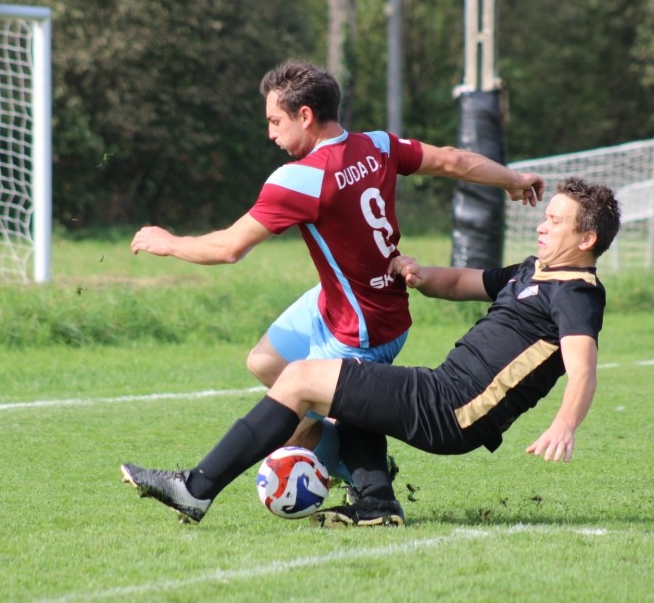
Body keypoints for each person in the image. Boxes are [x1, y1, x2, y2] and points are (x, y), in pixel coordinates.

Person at [122, 177, 622, 526]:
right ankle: (377, 502)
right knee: (351, 379)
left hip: (456, 407)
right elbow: (462, 282)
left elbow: (582, 369)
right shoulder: (534, 270)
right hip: (444, 390)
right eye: (546, 217)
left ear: (587, 238)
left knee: (300, 378)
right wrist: (419, 275)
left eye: (555, 221)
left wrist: (565, 425)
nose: (542, 226)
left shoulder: (577, 293)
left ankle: (195, 488)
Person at [130, 58, 544, 479]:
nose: (270, 133)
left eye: (275, 121)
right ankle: (346, 444)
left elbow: (229, 248)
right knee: (264, 361)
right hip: (344, 301)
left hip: (361, 328)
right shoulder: (377, 145)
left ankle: (357, 476)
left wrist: (169, 243)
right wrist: (511, 179)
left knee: (291, 427)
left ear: (305, 116)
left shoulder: (299, 179)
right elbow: (452, 160)